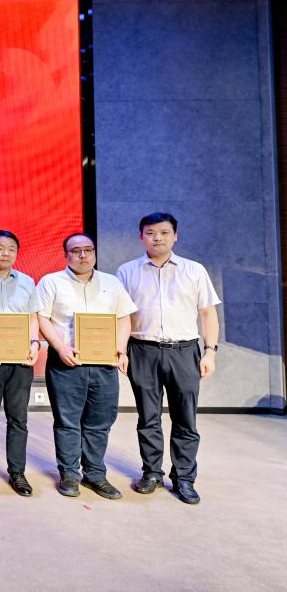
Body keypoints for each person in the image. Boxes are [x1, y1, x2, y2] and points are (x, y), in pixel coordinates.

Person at [116, 212, 220, 505]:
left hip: (184, 351)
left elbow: (208, 313)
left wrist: (210, 352)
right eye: (150, 233)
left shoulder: (194, 270)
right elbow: (121, 316)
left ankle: (184, 477)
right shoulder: (127, 271)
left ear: (175, 236)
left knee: (185, 418)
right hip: (142, 350)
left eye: (164, 232)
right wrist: (121, 350)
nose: (157, 238)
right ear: (141, 237)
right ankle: (151, 473)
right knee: (148, 417)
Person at [37, 233, 136, 500]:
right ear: (66, 255)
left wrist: (121, 348)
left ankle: (95, 474)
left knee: (100, 422)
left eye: (88, 250)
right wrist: (60, 347)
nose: (83, 255)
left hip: (104, 364)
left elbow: (124, 319)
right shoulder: (51, 282)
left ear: (94, 253)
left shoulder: (112, 283)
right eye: (76, 251)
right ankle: (69, 474)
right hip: (67, 363)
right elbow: (42, 318)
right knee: (68, 421)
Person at [0, 230, 43, 498]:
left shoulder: (27, 281)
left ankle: (17, 472)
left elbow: (33, 318)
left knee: (18, 418)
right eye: (0, 248)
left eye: (11, 249)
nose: (6, 253)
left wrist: (35, 343)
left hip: (21, 354)